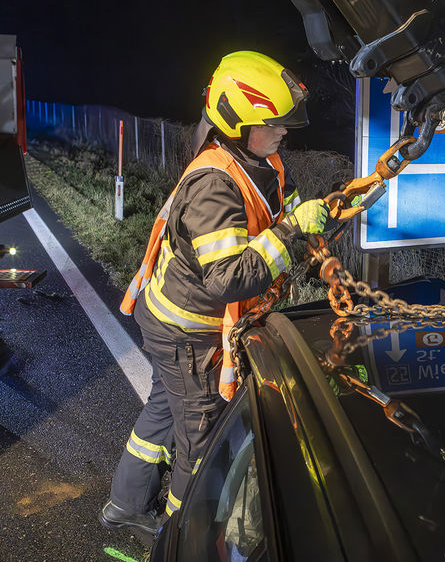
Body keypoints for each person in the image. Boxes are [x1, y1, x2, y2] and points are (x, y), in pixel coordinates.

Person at [100, 51, 329, 534]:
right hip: (187, 336)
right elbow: (227, 279)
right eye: (274, 123)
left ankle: (125, 505)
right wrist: (291, 232)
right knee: (201, 443)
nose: (284, 132)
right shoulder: (214, 187)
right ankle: (182, 537)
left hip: (173, 323)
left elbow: (275, 213)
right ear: (239, 125)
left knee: (164, 413)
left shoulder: (259, 162)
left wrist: (307, 219)